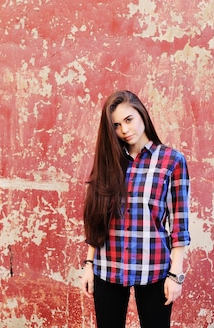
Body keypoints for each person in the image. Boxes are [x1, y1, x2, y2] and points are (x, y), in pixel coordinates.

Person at [80, 90, 191, 328]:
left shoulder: (172, 161)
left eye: (128, 120)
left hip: (154, 267)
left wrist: (175, 275)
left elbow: (179, 224)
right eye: (117, 125)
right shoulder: (109, 161)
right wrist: (89, 265)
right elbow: (96, 218)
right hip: (108, 265)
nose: (124, 130)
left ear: (142, 114)